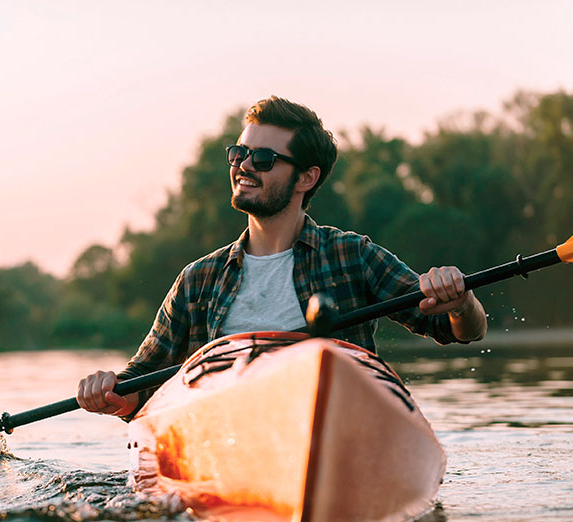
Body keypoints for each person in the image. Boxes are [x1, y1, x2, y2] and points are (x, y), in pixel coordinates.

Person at [77, 96, 487, 419]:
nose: (243, 166)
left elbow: (461, 330)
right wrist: (109, 393)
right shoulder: (198, 279)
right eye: (239, 153)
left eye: (263, 159)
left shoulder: (352, 255)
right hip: (228, 441)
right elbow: (140, 387)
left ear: (306, 177)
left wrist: (462, 302)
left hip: (341, 427)